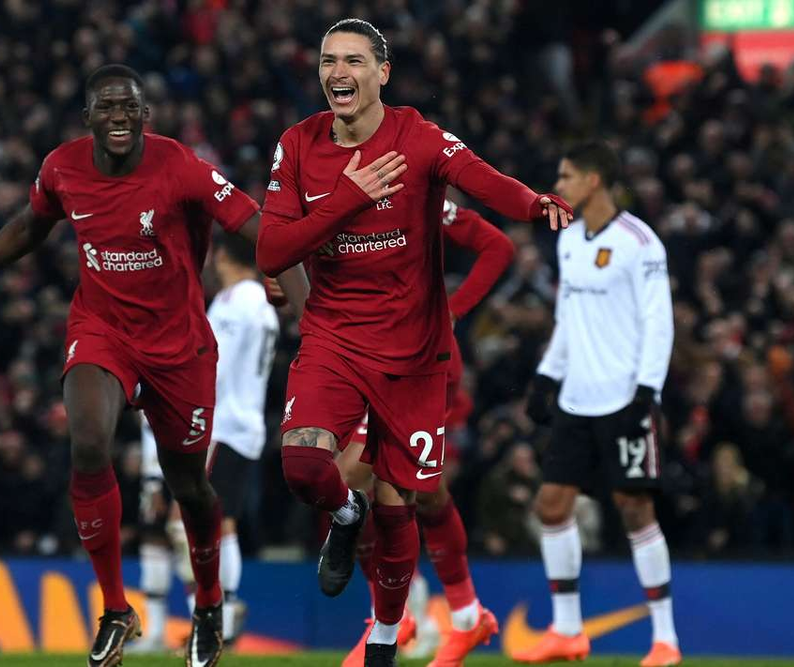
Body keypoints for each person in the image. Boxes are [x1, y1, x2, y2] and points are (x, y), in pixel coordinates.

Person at [0, 64, 304, 667]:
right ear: (87, 117)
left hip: (179, 346)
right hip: (102, 329)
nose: (119, 116)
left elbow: (258, 225)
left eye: (129, 106)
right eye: (107, 106)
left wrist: (312, 306)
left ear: (145, 115)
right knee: (87, 444)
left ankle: (209, 604)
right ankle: (116, 609)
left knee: (190, 488)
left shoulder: (179, 165)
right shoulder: (61, 168)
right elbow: (28, 227)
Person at [256, 18, 573, 667]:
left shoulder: (417, 144)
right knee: (309, 468)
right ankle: (363, 534)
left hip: (413, 352)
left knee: (408, 495)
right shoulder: (298, 145)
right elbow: (271, 249)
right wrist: (346, 201)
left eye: (353, 60)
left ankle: (395, 632)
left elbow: (485, 189)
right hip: (335, 339)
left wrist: (533, 205)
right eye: (328, 60)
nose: (338, 72)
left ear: (383, 73)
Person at [513, 141, 679, 667]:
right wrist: (545, 376)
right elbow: (568, 318)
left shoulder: (640, 243)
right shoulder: (569, 240)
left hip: (624, 397)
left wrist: (648, 391)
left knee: (635, 509)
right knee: (551, 505)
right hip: (577, 400)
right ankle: (567, 630)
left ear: (593, 181)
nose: (558, 186)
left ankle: (665, 640)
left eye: (566, 176)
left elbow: (659, 321)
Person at [338, 201, 515, 667]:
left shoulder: (419, 196)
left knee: (353, 477)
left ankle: (390, 619)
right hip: (363, 352)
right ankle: (465, 615)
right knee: (421, 490)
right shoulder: (337, 195)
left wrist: (453, 311)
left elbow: (497, 245)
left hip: (421, 358)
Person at [132, 234, 281, 650]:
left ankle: (215, 617)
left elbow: (213, 365)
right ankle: (223, 617)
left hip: (222, 425)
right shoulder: (260, 302)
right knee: (222, 521)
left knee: (187, 522)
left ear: (222, 256)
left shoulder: (236, 302)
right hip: (244, 422)